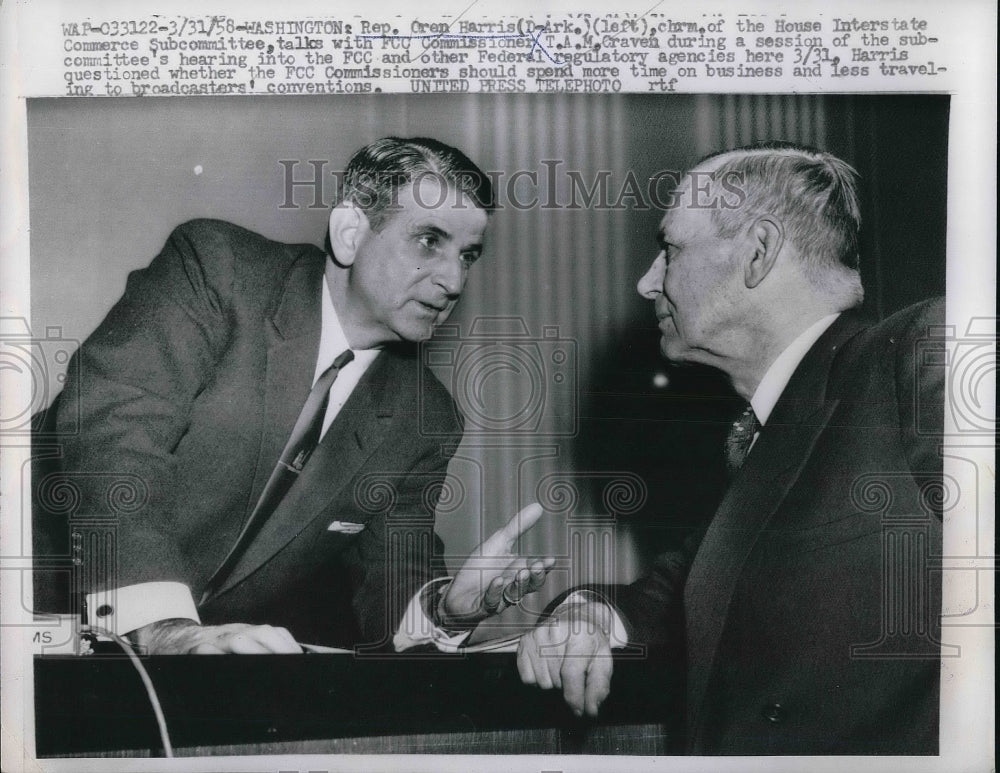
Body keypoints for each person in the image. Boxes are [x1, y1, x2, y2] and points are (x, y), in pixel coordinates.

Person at [33, 137, 552, 655]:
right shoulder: (218, 270)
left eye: (469, 255)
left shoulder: (425, 418)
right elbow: (114, 430)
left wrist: (444, 608)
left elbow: (390, 577)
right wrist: (162, 625)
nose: (454, 279)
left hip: (192, 662)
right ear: (350, 234)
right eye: (429, 241)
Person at [516, 141, 944, 754]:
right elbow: (672, 597)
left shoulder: (923, 353)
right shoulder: (763, 437)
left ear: (758, 253)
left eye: (670, 249)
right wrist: (584, 616)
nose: (646, 283)